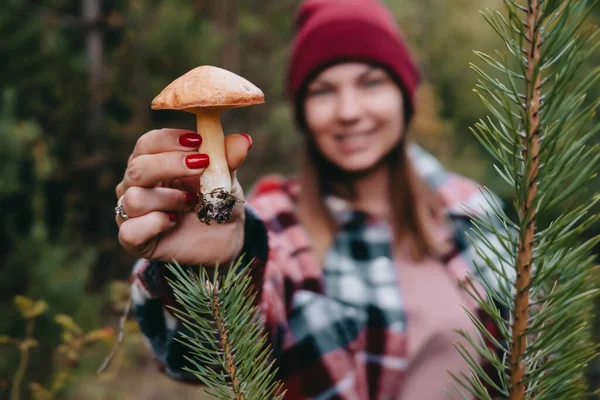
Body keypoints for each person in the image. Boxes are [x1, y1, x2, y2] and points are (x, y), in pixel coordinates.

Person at [115, 0, 507, 398]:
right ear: (303, 111)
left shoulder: (475, 208)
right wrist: (213, 274)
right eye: (323, 91)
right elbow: (197, 359)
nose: (349, 112)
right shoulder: (272, 223)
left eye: (371, 82)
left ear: (405, 95)